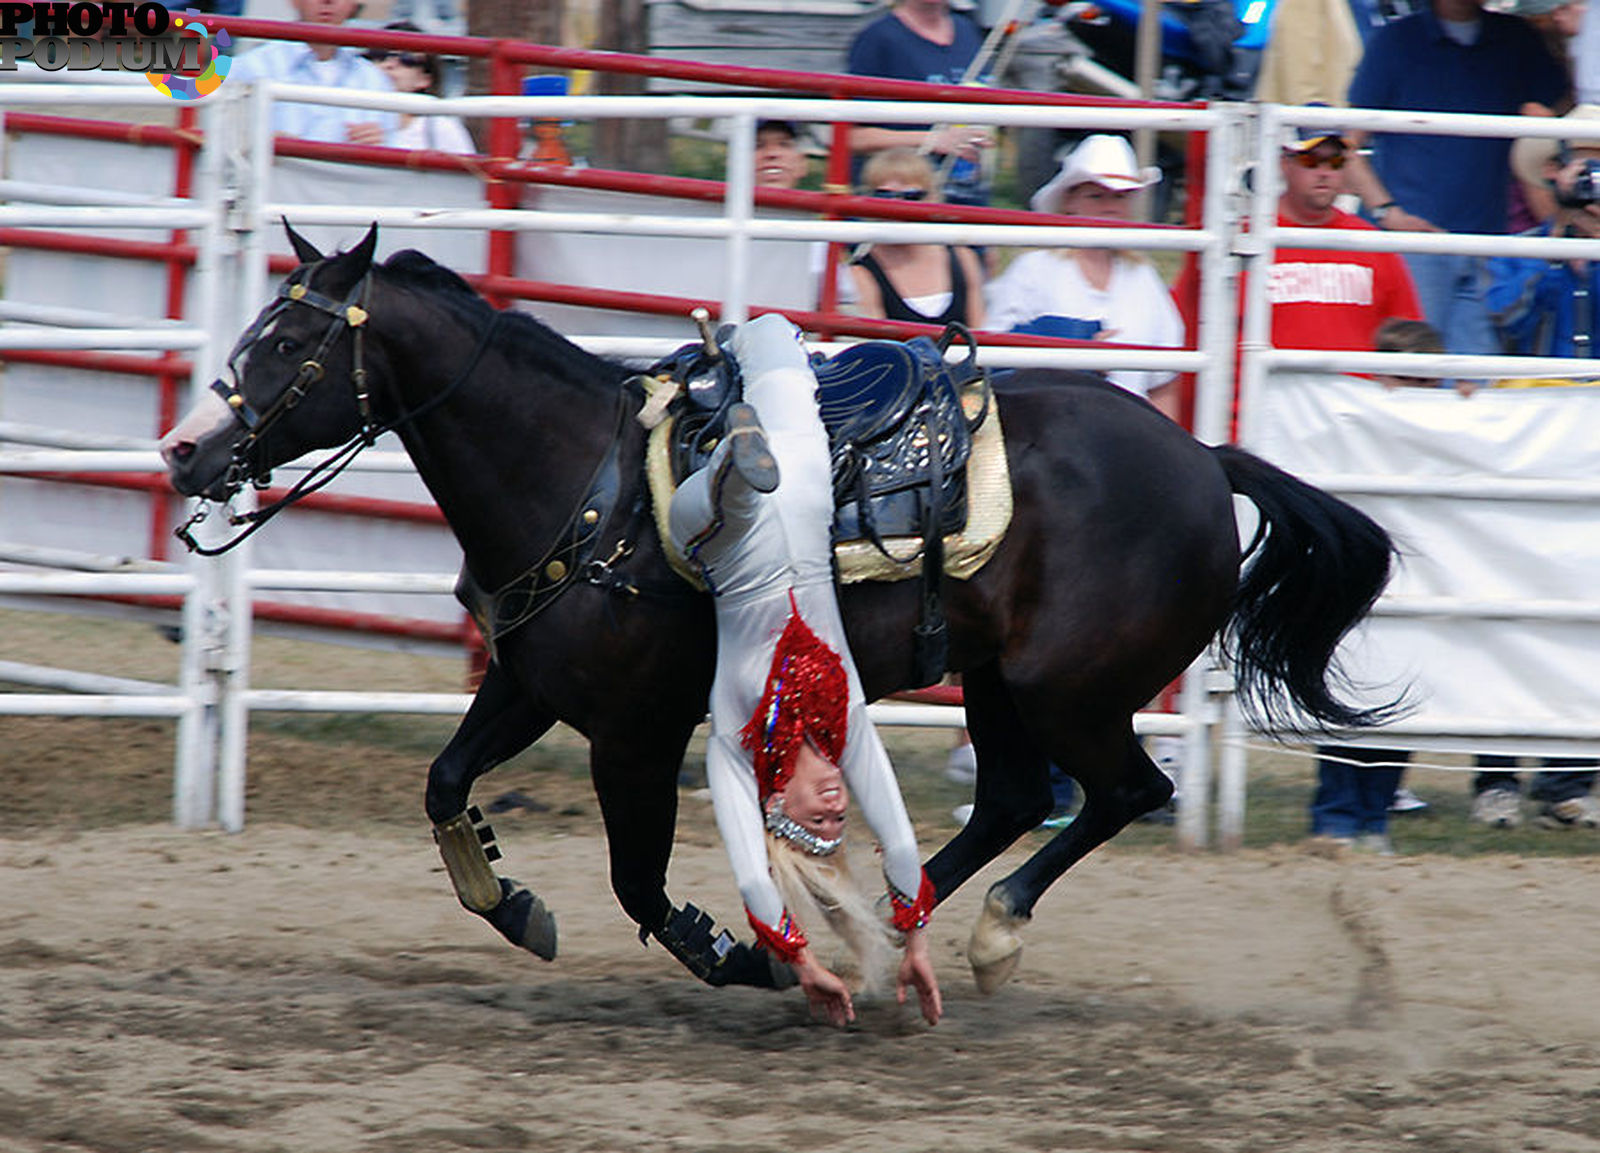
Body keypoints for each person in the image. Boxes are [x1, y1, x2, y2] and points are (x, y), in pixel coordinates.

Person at [667, 314, 942, 1028]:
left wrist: (802, 961)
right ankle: (742, 379)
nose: (836, 809)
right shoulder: (845, 724)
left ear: (776, 811)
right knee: (775, 333)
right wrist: (914, 938)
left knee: (714, 508)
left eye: (815, 824)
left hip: (731, 545)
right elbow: (902, 838)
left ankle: (734, 456)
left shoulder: (735, 747)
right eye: (837, 821)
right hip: (810, 493)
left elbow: (754, 877)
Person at [1343, 0, 1568, 355]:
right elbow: (1348, 145)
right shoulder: (1396, 40)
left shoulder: (1516, 38)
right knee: (1414, 375)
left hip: (1488, 244)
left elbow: (1561, 112)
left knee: (1472, 387)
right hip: (1415, 245)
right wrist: (1388, 213)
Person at [985, 134, 1185, 420]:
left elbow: (1163, 384)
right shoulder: (1033, 270)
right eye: (1096, 196)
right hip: (1049, 430)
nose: (1110, 207)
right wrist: (1073, 349)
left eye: (1120, 197)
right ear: (1070, 201)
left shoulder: (1144, 277)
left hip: (1132, 435)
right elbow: (996, 360)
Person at [846, 0, 995, 206]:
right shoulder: (879, 38)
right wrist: (934, 140)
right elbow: (851, 137)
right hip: (903, 200)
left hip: (968, 196)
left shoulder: (968, 30)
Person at [227, 0, 400, 147]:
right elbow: (223, 145)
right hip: (274, 183)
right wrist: (257, 145)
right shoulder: (250, 67)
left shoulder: (375, 80)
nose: (328, 0)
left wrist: (380, 144)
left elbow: (393, 158)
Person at [847, 149, 986, 330]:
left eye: (912, 196)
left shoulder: (964, 259)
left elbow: (981, 336)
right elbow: (879, 350)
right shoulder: (859, 273)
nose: (898, 207)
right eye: (885, 196)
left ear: (932, 198)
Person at [365, 25, 475, 154]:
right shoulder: (348, 111)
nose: (390, 64)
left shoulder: (439, 127)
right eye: (380, 55)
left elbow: (467, 170)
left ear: (425, 79)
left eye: (407, 59)